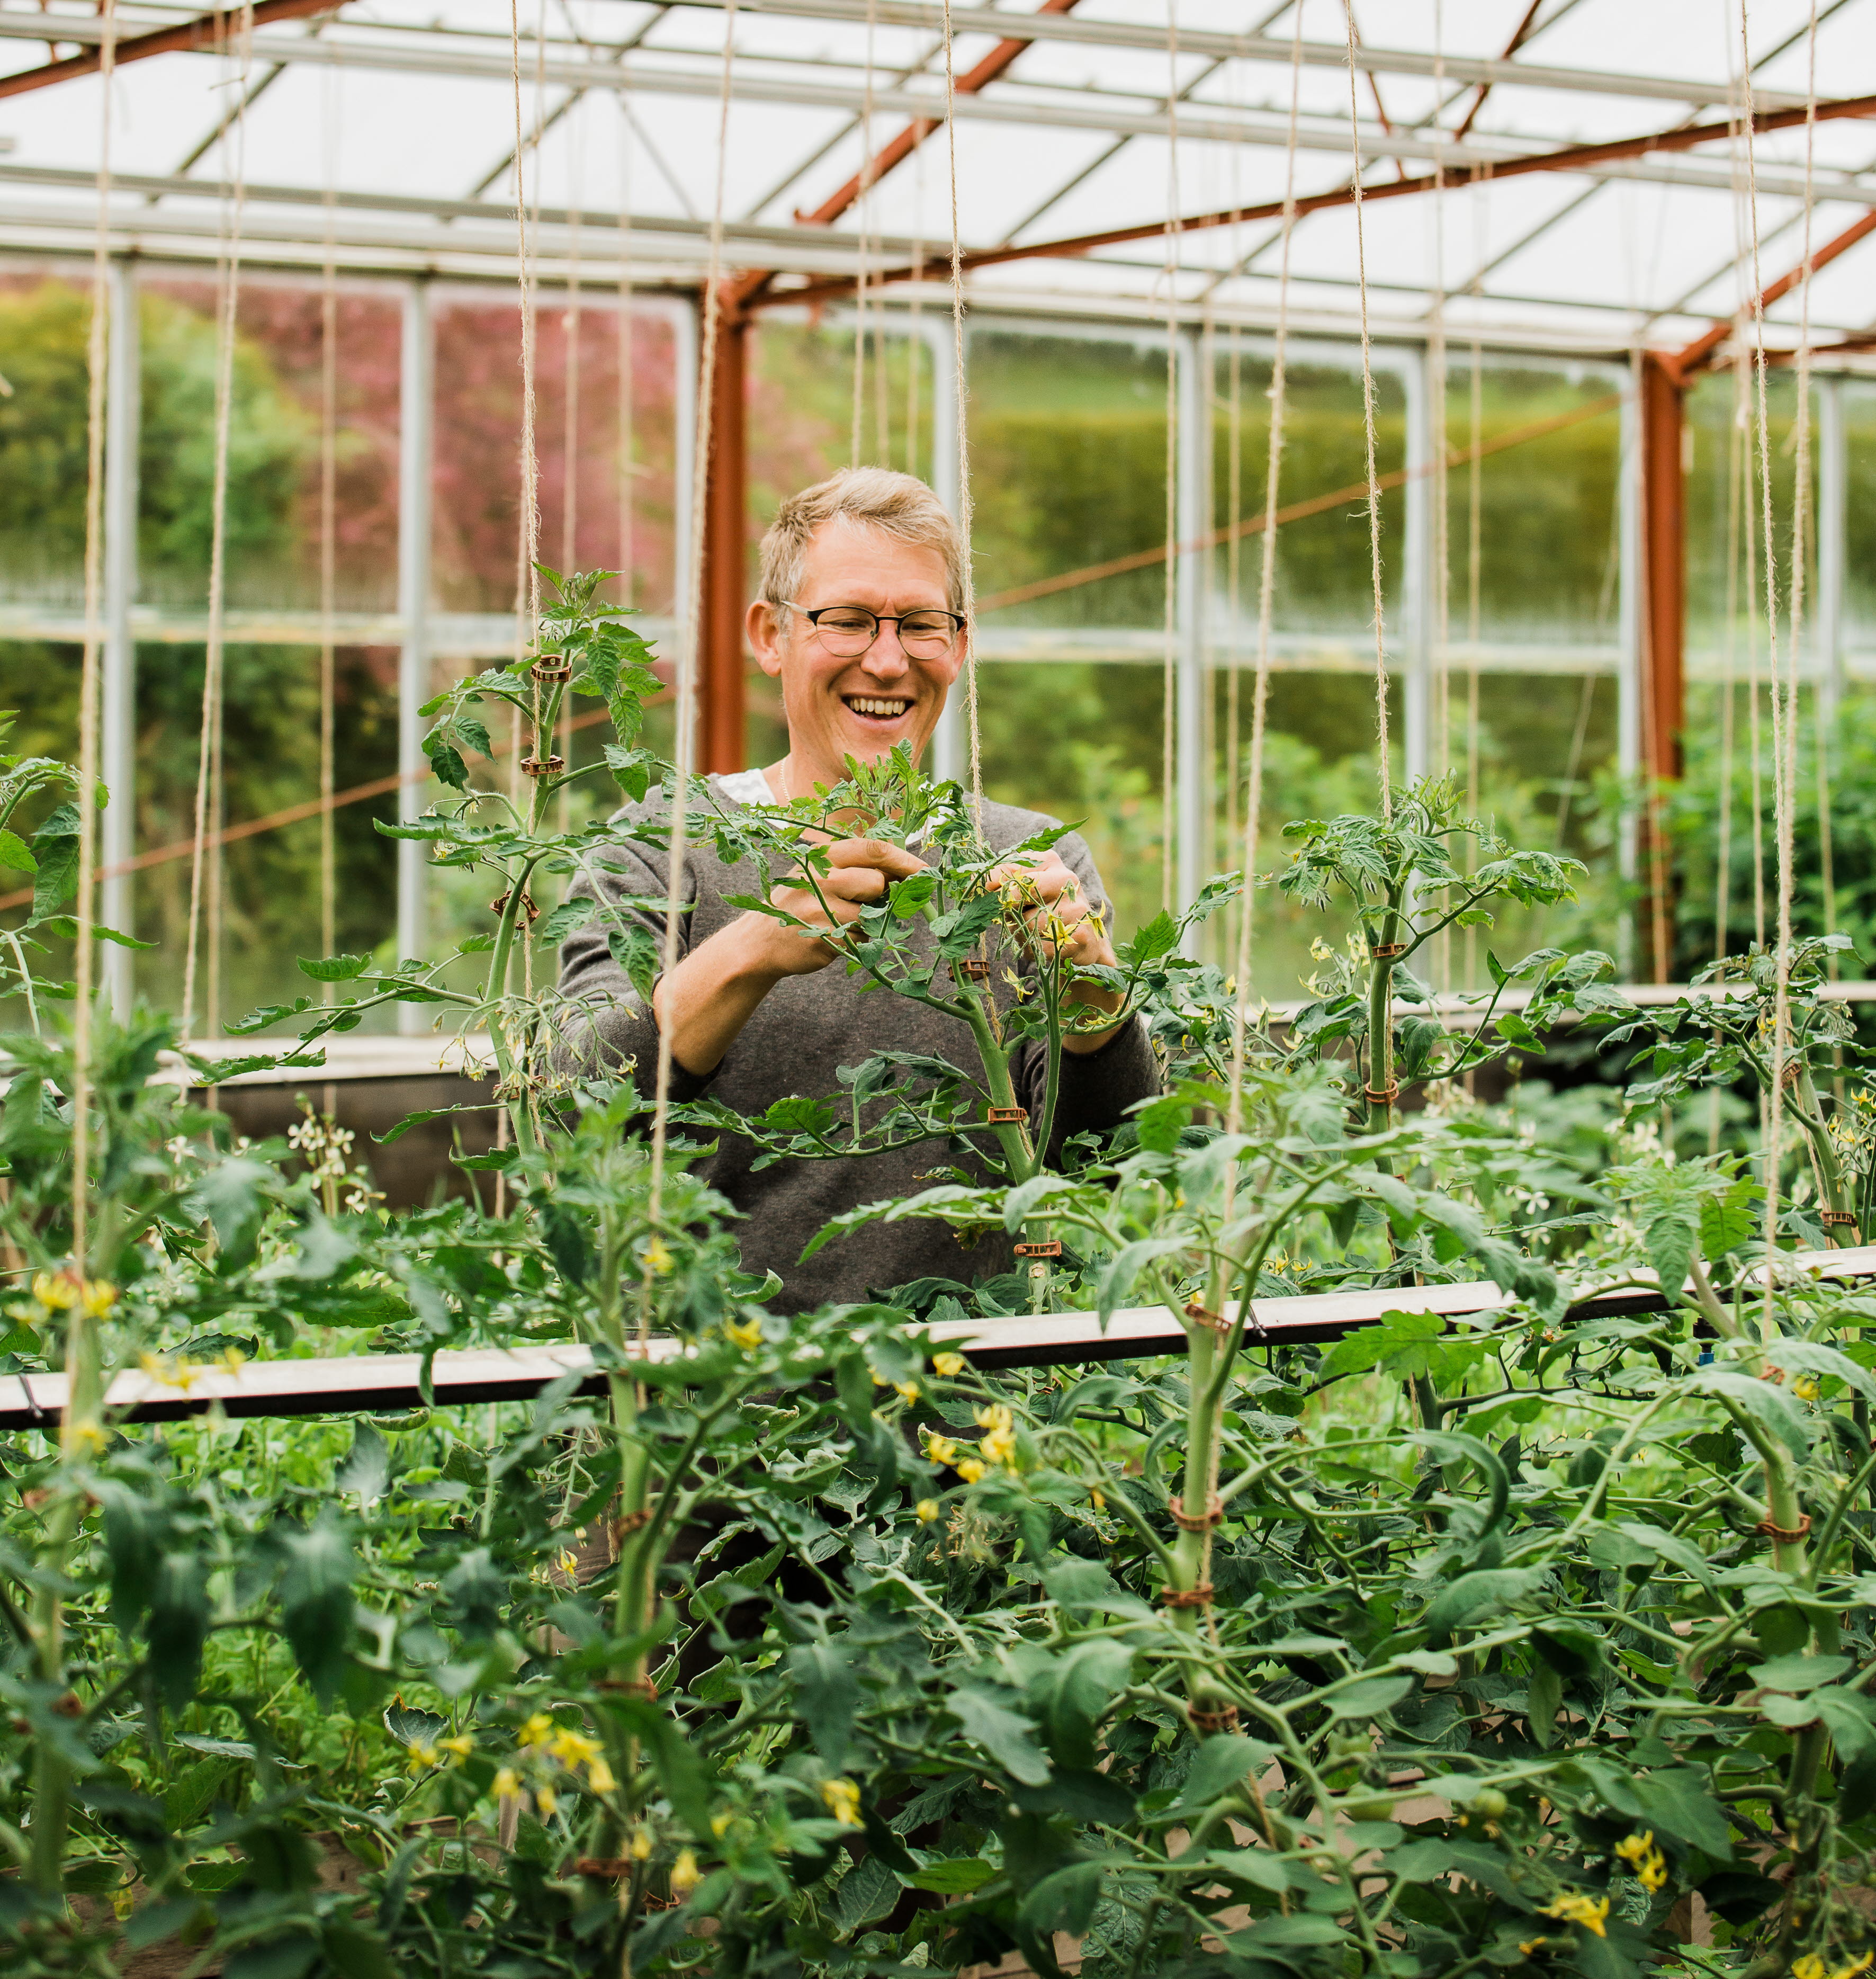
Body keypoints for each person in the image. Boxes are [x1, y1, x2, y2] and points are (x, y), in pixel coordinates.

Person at [557, 467, 1159, 1310]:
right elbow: (571, 1100)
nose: (887, 659)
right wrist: (751, 950)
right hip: (709, 1406)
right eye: (846, 620)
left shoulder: (1025, 862)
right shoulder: (665, 845)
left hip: (969, 1409)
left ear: (958, 643)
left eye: (919, 623)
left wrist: (1097, 1008)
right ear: (771, 635)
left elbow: (1112, 1165)